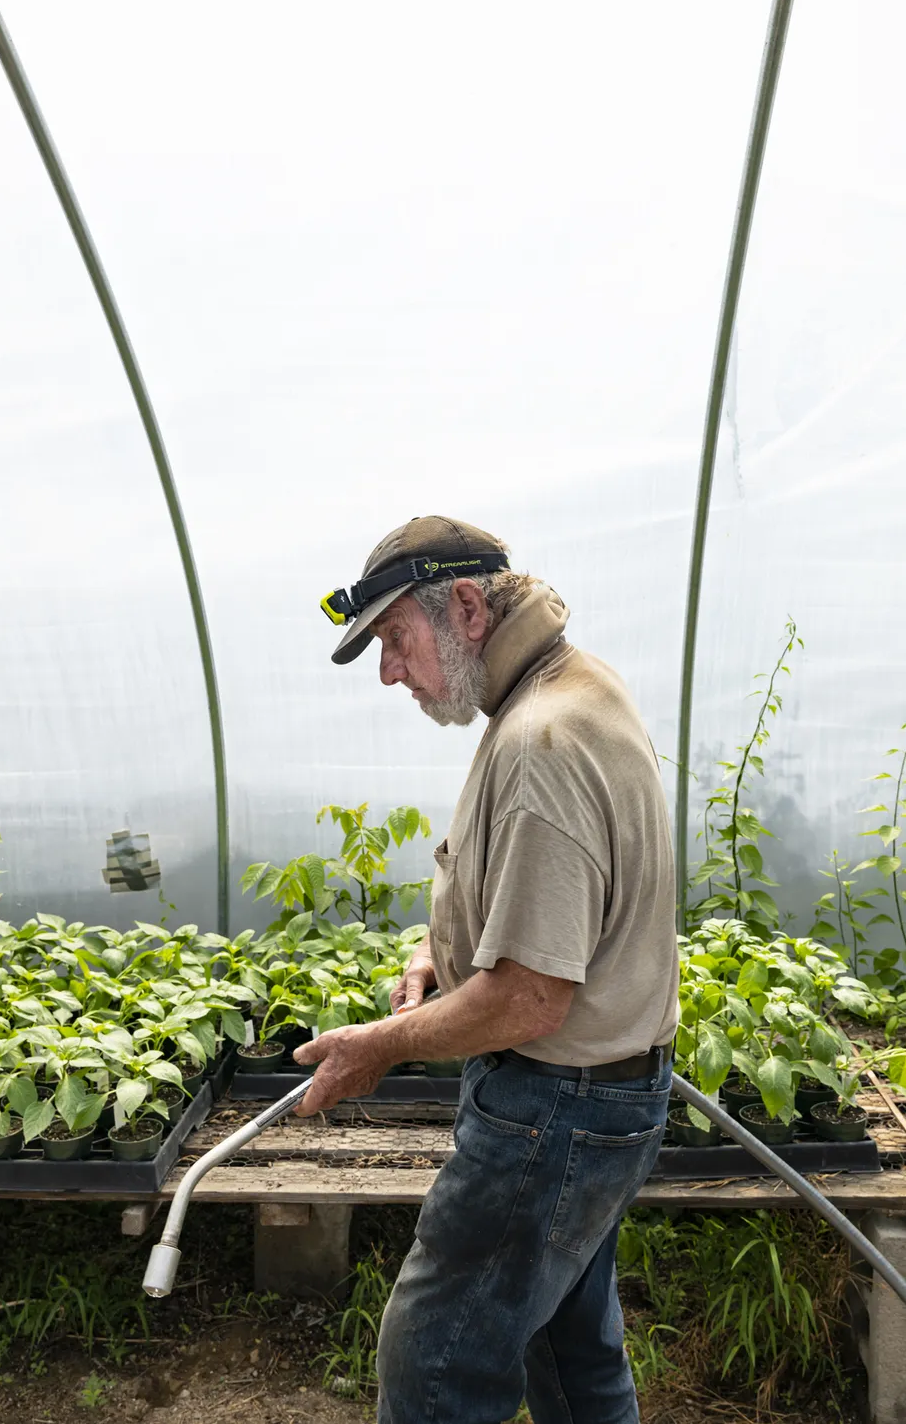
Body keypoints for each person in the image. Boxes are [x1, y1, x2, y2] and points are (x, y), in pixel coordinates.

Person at [295, 514, 679, 1424]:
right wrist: (447, 946)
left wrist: (378, 1046)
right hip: (602, 1100)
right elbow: (557, 903)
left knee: (436, 1360)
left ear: (465, 605)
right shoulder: (566, 687)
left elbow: (533, 997)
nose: (390, 670)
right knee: (570, 1350)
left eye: (393, 638)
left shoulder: (541, 738)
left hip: (556, 1112)